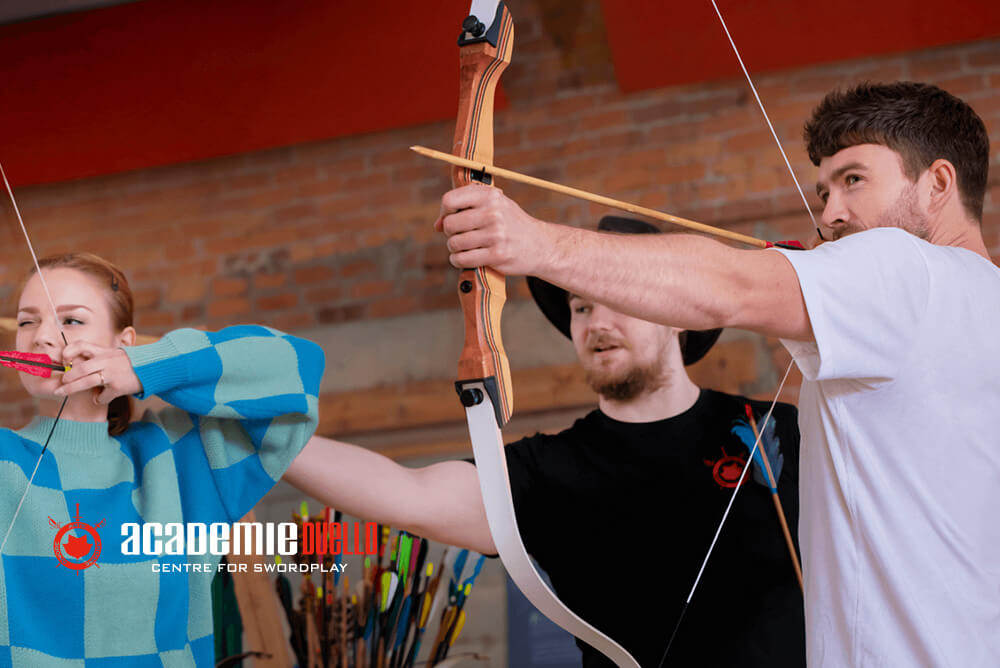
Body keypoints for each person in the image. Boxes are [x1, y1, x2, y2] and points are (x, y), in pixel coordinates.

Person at [435, 81, 1000, 666]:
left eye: (854, 180)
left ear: (937, 184)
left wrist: (532, 243)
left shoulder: (903, 266)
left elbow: (728, 286)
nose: (830, 214)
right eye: (823, 191)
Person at [287, 217, 805, 667]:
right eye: (581, 308)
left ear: (677, 314)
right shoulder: (551, 468)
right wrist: (268, 441)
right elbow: (410, 494)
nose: (596, 323)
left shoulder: (776, 430)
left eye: (617, 301)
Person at [0, 253, 324, 665]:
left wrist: (143, 369)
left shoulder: (177, 455)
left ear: (124, 343)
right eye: (27, 321)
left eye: (71, 320)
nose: (42, 337)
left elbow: (297, 364)